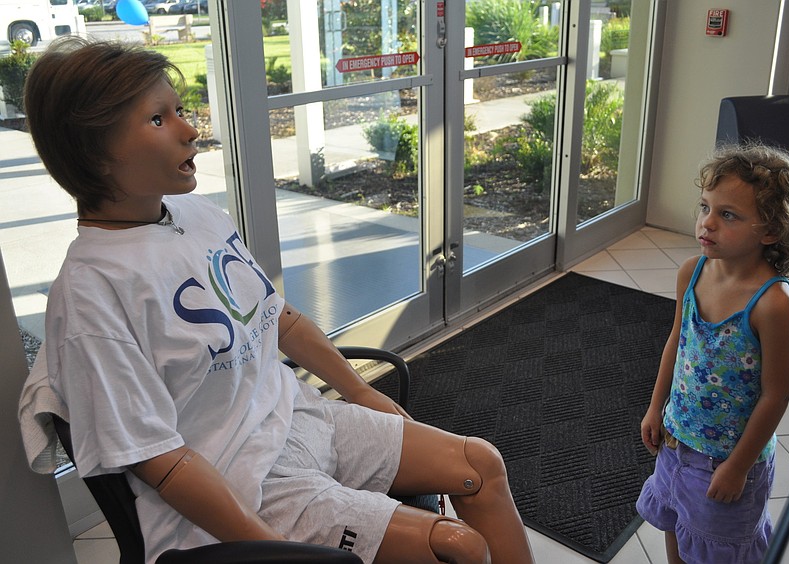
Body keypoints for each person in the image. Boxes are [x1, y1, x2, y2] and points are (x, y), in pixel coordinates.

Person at [23, 37, 534, 564]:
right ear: (93, 154)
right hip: (239, 478)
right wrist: (270, 550)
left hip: (296, 415)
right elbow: (159, 458)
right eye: (158, 120)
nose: (189, 130)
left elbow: (280, 319)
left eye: (178, 110)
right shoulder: (91, 293)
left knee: (482, 464)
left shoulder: (196, 216)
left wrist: (361, 393)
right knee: (457, 545)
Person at [636, 144, 789, 564]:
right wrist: (655, 408)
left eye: (728, 215)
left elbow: (776, 395)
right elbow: (676, 343)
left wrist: (738, 466)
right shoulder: (692, 272)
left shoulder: (771, 303)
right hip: (676, 439)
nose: (707, 223)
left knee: (721, 549)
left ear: (770, 231)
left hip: (728, 457)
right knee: (677, 525)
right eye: (705, 207)